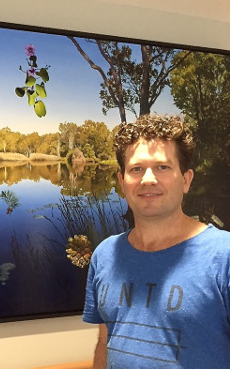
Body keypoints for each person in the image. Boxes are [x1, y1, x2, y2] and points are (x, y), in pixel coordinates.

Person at [83, 114, 230, 368]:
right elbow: (105, 341)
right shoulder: (105, 255)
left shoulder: (223, 256)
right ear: (122, 182)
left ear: (186, 180)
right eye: (136, 169)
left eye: (162, 167)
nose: (148, 179)